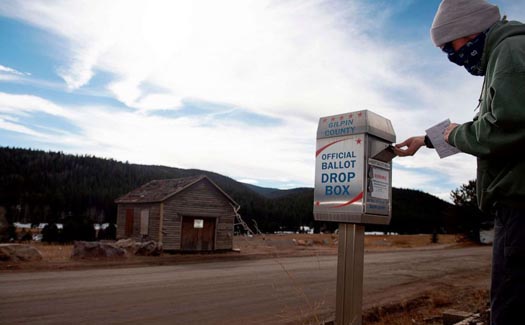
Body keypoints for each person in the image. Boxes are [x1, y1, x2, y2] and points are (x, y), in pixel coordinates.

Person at [394, 0, 525, 324]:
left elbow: (504, 129)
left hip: (520, 206)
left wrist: (451, 134)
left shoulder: (509, 53)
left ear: (470, 30)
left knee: (511, 309)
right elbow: (489, 124)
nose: (451, 57)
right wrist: (426, 140)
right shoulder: (505, 51)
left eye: (449, 46)